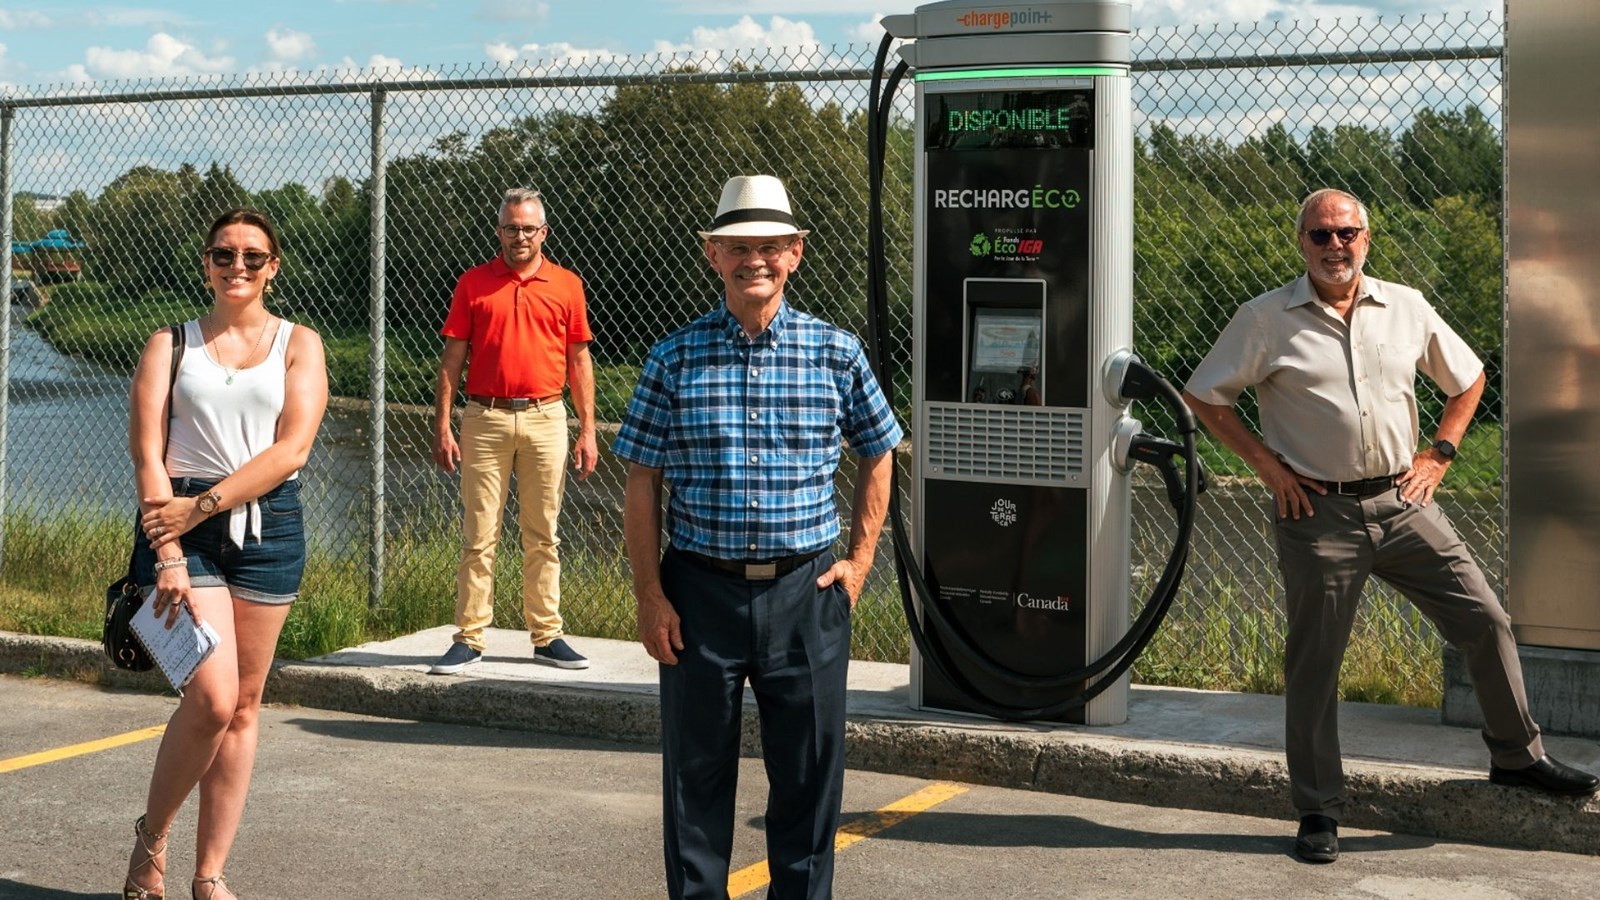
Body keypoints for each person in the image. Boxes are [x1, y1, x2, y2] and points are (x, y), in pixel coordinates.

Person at [1181, 188, 1599, 865]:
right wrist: (1266, 467)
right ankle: (1319, 809)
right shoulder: (1263, 319)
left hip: (1405, 504)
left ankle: (1518, 758)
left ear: (1367, 238)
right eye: (1320, 235)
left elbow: (1468, 379)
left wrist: (1441, 455)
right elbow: (1203, 394)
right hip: (1316, 515)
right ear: (1302, 244)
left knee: (1485, 619)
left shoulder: (1405, 306)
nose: (1334, 245)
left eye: (1346, 232)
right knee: (1315, 664)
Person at [614, 174, 902, 899]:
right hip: (697, 595)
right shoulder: (672, 359)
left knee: (808, 782)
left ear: (796, 253)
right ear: (713, 255)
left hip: (806, 595)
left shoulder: (835, 353)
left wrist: (862, 560)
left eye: (770, 246)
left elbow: (880, 449)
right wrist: (651, 595)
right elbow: (641, 480)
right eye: (739, 246)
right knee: (695, 783)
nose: (756, 260)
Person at [124, 208, 329, 900]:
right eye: (223, 254)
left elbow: (292, 450)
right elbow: (148, 456)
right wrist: (172, 549)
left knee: (244, 706)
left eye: (251, 256)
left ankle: (209, 876)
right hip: (179, 531)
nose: (235, 266)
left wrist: (205, 504)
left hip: (269, 528)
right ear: (205, 263)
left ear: (275, 266)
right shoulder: (169, 344)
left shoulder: (300, 344)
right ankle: (151, 839)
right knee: (210, 698)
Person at [428, 187, 598, 675]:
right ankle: (470, 637)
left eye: (528, 228)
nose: (519, 236)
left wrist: (588, 430)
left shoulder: (567, 285)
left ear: (543, 232)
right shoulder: (473, 284)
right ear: (498, 230)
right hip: (485, 417)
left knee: (543, 534)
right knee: (479, 534)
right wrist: (444, 424)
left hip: (548, 417)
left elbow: (579, 360)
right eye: (510, 227)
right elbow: (452, 360)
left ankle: (547, 636)